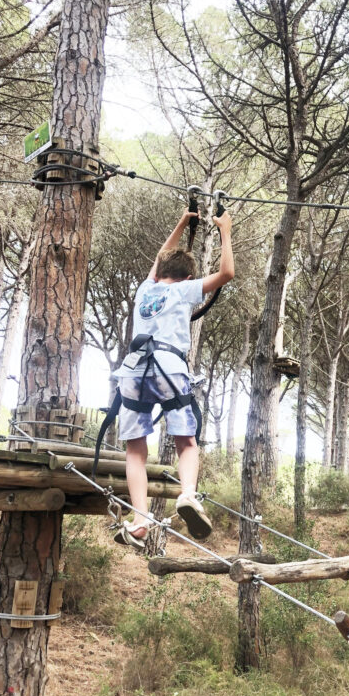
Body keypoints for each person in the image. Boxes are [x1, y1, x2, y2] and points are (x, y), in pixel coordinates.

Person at [112, 206, 234, 548]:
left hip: (133, 369)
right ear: (185, 278)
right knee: (186, 442)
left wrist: (182, 220)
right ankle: (188, 496)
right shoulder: (184, 290)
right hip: (169, 365)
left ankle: (139, 521)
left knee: (135, 450)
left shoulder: (144, 290)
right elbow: (227, 273)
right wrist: (225, 229)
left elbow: (158, 258)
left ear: (161, 271)